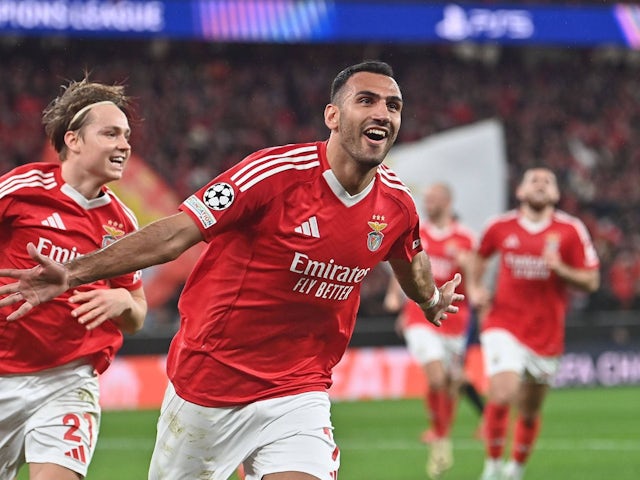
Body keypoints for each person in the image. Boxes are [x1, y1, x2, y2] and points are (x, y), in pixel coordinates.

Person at [0, 61, 463, 480]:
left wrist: (429, 299)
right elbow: (175, 234)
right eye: (367, 100)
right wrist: (75, 272)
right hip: (210, 383)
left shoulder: (397, 204)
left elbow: (410, 256)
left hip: (298, 388)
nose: (383, 112)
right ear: (333, 116)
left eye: (394, 106)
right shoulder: (272, 174)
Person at [0, 78, 147, 480]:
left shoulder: (122, 222)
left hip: (67, 380)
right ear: (74, 139)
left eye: (127, 136)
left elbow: (138, 314)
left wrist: (123, 304)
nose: (124, 145)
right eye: (110, 133)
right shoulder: (20, 190)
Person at [467, 167, 600, 480]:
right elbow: (479, 256)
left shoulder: (571, 230)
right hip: (503, 323)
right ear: (521, 192)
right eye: (534, 180)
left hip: (546, 334)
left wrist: (561, 270)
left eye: (548, 181)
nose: (541, 184)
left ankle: (515, 469)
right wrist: (475, 288)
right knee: (502, 393)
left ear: (555, 194)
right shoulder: (499, 226)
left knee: (529, 411)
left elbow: (591, 281)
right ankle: (493, 466)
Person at [384, 182, 479, 479]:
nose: (429, 203)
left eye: (434, 198)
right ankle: (440, 439)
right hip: (419, 315)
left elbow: (473, 283)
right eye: (426, 198)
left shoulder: (465, 237)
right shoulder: (419, 232)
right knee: (437, 376)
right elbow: (405, 267)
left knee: (451, 382)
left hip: (456, 319)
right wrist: (395, 297)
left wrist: (471, 276)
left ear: (447, 201)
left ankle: (441, 432)